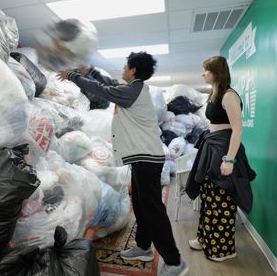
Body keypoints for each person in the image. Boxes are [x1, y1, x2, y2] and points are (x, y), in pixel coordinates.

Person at [58, 52, 188, 276]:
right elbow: (109, 82)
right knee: (140, 204)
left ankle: (175, 261)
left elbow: (105, 90)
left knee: (153, 210)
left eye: (126, 66)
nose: (123, 69)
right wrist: (90, 72)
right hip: (141, 158)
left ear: (134, 70)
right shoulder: (134, 88)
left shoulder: (131, 92)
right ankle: (144, 248)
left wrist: (72, 76)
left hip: (147, 159)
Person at [185, 56, 256, 261]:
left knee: (221, 199)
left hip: (224, 151)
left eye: (205, 70)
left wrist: (229, 160)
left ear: (216, 72)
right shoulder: (215, 94)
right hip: (212, 147)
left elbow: (238, 129)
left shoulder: (229, 95)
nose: (202, 73)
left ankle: (223, 249)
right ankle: (205, 238)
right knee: (208, 197)